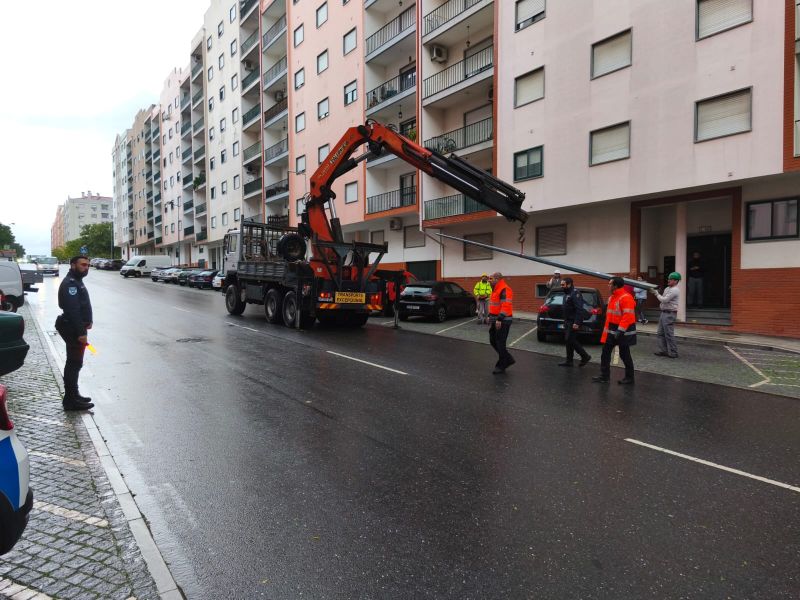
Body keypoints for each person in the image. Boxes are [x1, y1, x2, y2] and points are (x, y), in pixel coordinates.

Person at [55, 255, 94, 411]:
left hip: (75, 327)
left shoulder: (76, 281)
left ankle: (73, 395)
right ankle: (71, 400)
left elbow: (81, 306)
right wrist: (81, 332)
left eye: (88, 265)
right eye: (83, 265)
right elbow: (73, 310)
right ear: (72, 265)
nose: (86, 267)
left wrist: (88, 321)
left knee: (75, 363)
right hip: (73, 328)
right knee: (74, 363)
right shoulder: (70, 283)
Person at [593, 277, 637, 385]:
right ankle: (604, 376)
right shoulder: (612, 297)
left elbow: (627, 316)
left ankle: (630, 378)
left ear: (615, 286)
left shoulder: (626, 297)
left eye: (610, 284)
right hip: (612, 331)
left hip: (623, 332)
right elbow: (610, 315)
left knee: (624, 355)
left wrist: (620, 330)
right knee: (605, 353)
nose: (608, 286)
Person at [558, 277, 591, 367]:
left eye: (563, 285)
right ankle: (569, 361)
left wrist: (576, 322)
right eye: (561, 285)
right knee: (568, 341)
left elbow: (579, 309)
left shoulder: (575, 293)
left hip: (574, 321)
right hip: (568, 321)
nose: (561, 286)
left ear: (569, 284)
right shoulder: (566, 293)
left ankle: (585, 356)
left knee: (570, 339)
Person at [488, 272, 515, 374]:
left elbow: (506, 306)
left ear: (497, 279)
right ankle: (508, 359)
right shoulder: (495, 289)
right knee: (493, 340)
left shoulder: (504, 289)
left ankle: (502, 364)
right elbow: (494, 305)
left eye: (491, 279)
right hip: (496, 319)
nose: (489, 280)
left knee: (500, 343)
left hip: (503, 320)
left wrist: (499, 319)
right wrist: (489, 316)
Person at [651, 272, 681, 359]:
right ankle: (663, 350)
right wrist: (657, 292)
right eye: (668, 278)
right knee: (660, 333)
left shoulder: (675, 290)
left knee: (669, 334)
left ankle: (673, 352)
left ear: (676, 281)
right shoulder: (667, 288)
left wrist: (656, 293)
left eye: (671, 279)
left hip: (670, 314)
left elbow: (664, 300)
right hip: (664, 312)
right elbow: (663, 298)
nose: (668, 280)